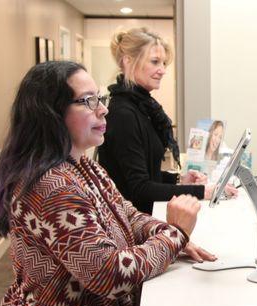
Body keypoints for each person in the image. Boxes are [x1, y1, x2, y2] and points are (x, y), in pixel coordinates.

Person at [0, 61, 203, 306]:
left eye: (99, 98)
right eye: (87, 101)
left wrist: (165, 232)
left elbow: (126, 215)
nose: (103, 110)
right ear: (51, 113)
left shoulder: (83, 167)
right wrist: (174, 236)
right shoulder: (52, 186)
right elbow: (108, 273)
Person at [98, 27, 236, 216]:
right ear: (128, 62)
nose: (162, 70)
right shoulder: (123, 114)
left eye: (163, 63)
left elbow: (146, 173)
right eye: (155, 62)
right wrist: (204, 191)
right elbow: (139, 188)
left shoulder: (142, 107)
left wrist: (180, 180)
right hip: (132, 224)